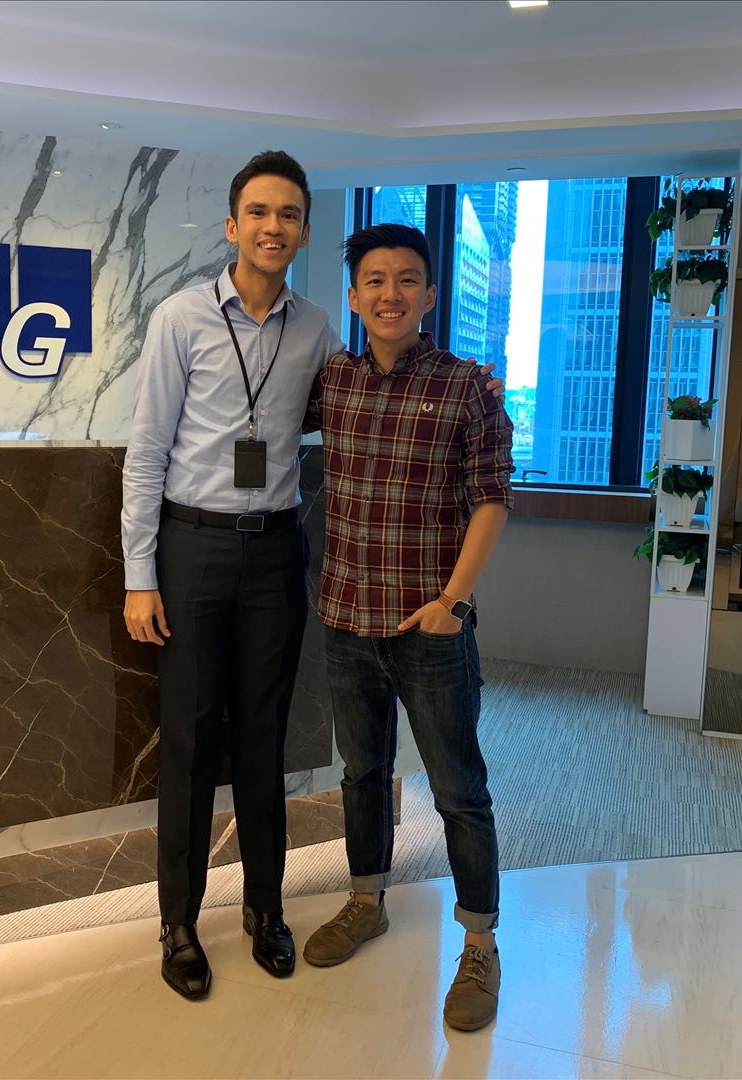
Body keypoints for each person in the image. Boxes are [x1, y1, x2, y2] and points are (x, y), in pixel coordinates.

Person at [122, 152, 502, 1001]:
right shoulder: (181, 318)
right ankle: (178, 923)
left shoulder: (320, 331)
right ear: (233, 225)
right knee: (191, 743)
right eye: (259, 212)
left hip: (274, 553)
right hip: (192, 545)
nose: (273, 227)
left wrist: (477, 383)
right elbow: (145, 452)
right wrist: (139, 574)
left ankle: (266, 910)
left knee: (265, 738)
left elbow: (387, 390)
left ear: (302, 231)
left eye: (289, 214)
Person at [300, 223, 513, 1034]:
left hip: (431, 627)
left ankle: (481, 943)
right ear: (354, 297)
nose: (391, 293)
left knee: (458, 789)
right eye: (375, 280)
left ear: (429, 293)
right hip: (346, 619)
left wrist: (454, 602)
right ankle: (367, 901)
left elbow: (492, 499)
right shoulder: (333, 381)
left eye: (407, 279)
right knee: (363, 774)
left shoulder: (467, 387)